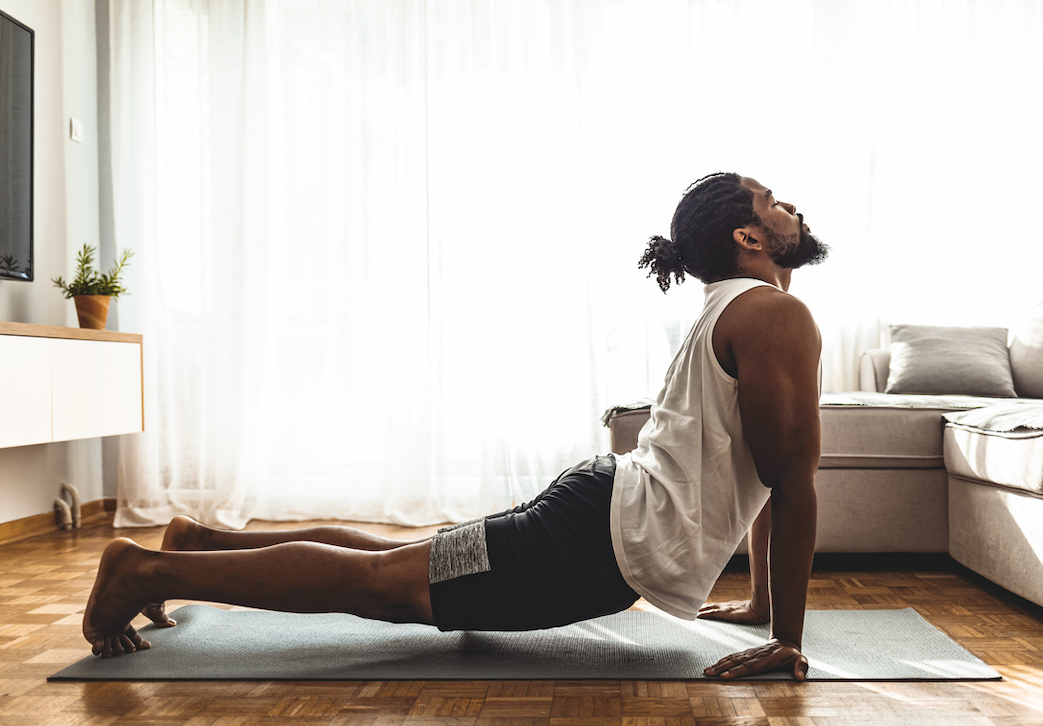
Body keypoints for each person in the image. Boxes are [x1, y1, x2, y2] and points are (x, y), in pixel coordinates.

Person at [82, 171, 828, 681]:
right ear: (750, 239)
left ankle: (199, 543)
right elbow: (791, 486)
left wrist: (764, 606)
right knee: (384, 586)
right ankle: (146, 571)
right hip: (596, 543)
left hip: (599, 517)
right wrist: (785, 642)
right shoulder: (772, 315)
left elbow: (768, 475)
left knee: (398, 561)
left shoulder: (742, 307)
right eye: (772, 200)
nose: (789, 206)